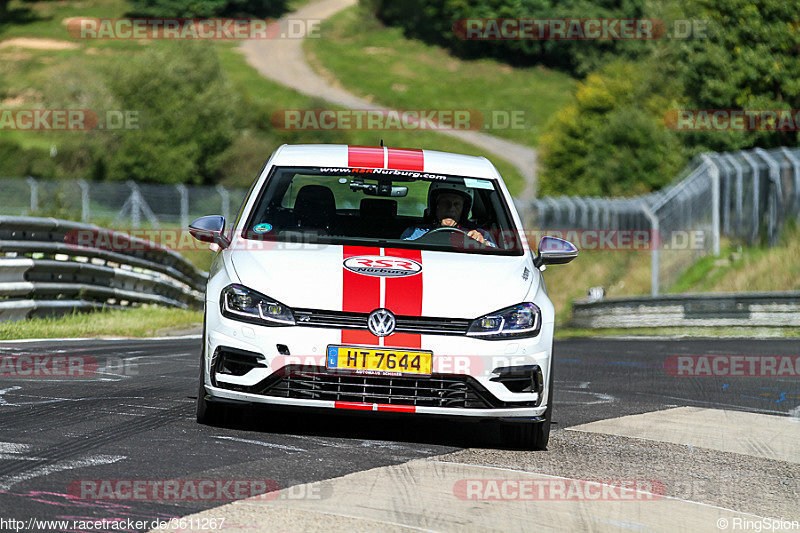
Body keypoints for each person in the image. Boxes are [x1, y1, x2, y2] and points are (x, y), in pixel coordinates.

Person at [401, 182, 496, 247]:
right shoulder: (415, 232)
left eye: (457, 204)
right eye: (445, 203)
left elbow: (498, 255)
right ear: (435, 206)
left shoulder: (479, 234)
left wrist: (484, 243)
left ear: (464, 210)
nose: (451, 209)